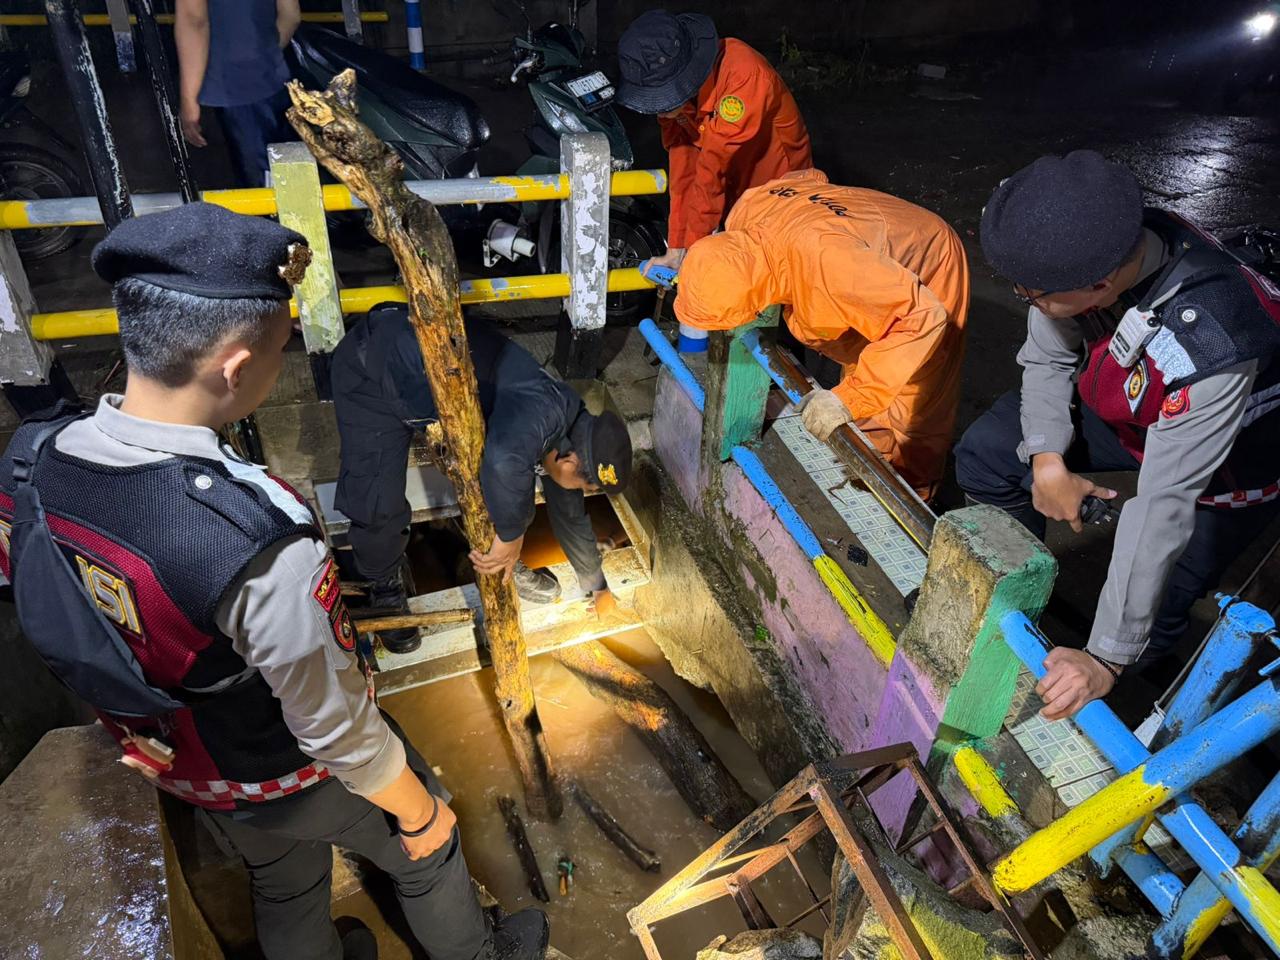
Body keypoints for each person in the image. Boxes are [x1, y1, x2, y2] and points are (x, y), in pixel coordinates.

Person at [0, 204, 547, 960]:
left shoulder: (34, 460)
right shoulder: (253, 536)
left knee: (285, 879)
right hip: (283, 768)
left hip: (177, 758)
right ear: (235, 366)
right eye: (280, 348)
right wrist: (419, 813)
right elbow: (336, 729)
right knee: (426, 854)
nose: (280, 363)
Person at [955, 150, 1280, 721]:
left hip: (1225, 460)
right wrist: (1047, 461)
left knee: (1161, 602)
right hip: (1137, 405)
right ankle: (1019, 595)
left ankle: (1124, 684)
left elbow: (1162, 504)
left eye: (1030, 295)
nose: (1025, 300)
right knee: (989, 453)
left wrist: (1105, 655)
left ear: (1100, 285)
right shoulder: (1094, 244)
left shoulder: (1213, 347)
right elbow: (1047, 358)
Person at [330, 304, 633, 653]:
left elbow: (569, 513)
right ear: (569, 461)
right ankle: (384, 585)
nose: (581, 491)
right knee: (376, 498)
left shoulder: (573, 434)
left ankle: (500, 564)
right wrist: (512, 535)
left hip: (432, 384)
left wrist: (597, 585)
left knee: (499, 490)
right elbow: (504, 461)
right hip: (376, 370)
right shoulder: (544, 414)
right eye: (586, 486)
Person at [675, 169, 970, 500]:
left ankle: (912, 497)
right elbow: (811, 177)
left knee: (913, 399)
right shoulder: (746, 210)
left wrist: (849, 399)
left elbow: (922, 316)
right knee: (868, 372)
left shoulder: (830, 262)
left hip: (926, 262)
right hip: (862, 253)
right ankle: (872, 462)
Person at [614, 11, 812, 279]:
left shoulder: (744, 76)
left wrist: (695, 247)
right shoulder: (673, 101)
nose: (658, 111)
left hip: (778, 189)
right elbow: (683, 169)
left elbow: (711, 170)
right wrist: (677, 247)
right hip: (730, 188)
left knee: (773, 279)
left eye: (662, 99)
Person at [175, 0, 300, 187]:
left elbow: (194, 21)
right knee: (286, 183)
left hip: (226, 87)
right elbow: (291, 15)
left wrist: (188, 101)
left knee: (255, 191)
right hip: (275, 81)